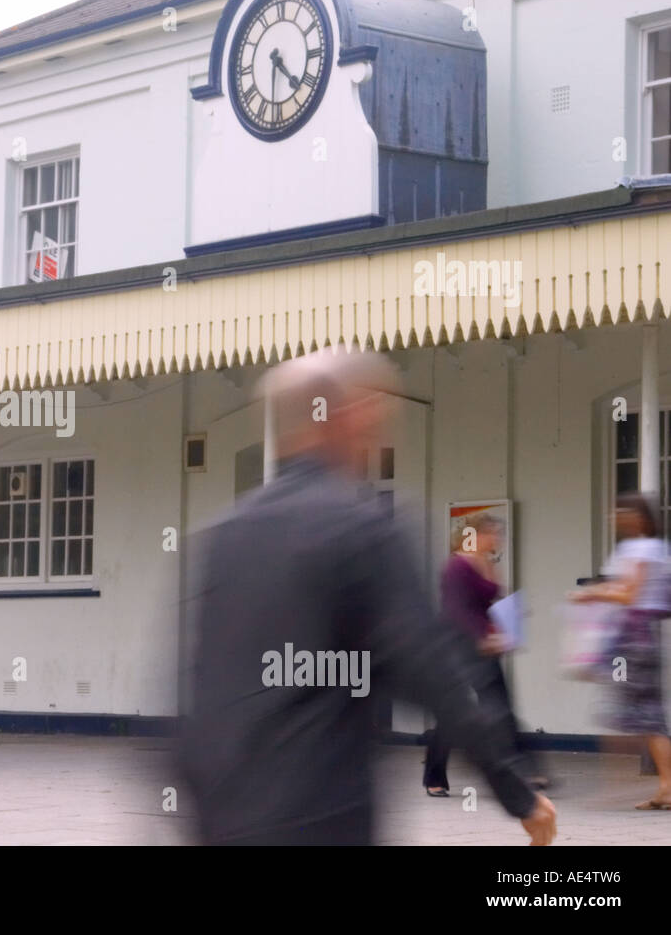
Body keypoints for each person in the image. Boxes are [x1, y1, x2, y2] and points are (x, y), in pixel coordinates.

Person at [178, 349, 556, 845]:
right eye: (371, 415)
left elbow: (194, 690)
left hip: (229, 820)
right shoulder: (361, 529)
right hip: (322, 815)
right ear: (339, 419)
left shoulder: (224, 536)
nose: (376, 432)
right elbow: (432, 676)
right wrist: (518, 794)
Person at [423, 514, 546, 796]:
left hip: (485, 645)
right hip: (458, 645)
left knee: (502, 709)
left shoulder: (487, 562)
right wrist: (481, 638)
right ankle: (434, 776)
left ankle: (527, 771)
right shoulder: (457, 566)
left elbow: (485, 603)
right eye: (492, 533)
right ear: (474, 535)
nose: (497, 538)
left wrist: (510, 618)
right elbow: (457, 610)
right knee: (453, 712)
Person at [571, 493, 671, 809]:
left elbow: (629, 594)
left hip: (632, 637)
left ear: (638, 517)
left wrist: (591, 593)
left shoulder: (638, 548)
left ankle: (620, 787)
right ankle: (665, 788)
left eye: (622, 511)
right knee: (648, 717)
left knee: (627, 714)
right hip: (648, 635)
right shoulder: (659, 549)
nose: (616, 516)